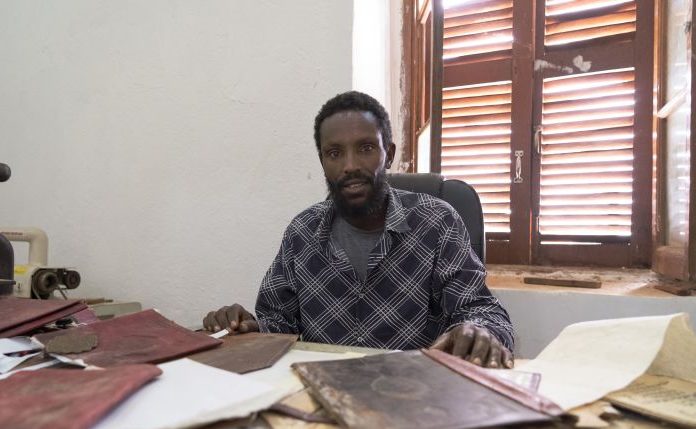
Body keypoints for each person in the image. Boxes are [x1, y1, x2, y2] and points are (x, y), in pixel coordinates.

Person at [204, 91, 514, 368]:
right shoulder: (302, 232)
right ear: (323, 162)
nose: (350, 165)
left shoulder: (437, 221)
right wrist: (247, 327)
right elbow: (278, 323)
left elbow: (481, 310)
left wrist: (480, 330)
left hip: (413, 392)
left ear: (388, 154)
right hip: (322, 390)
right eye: (334, 153)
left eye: (365, 148)